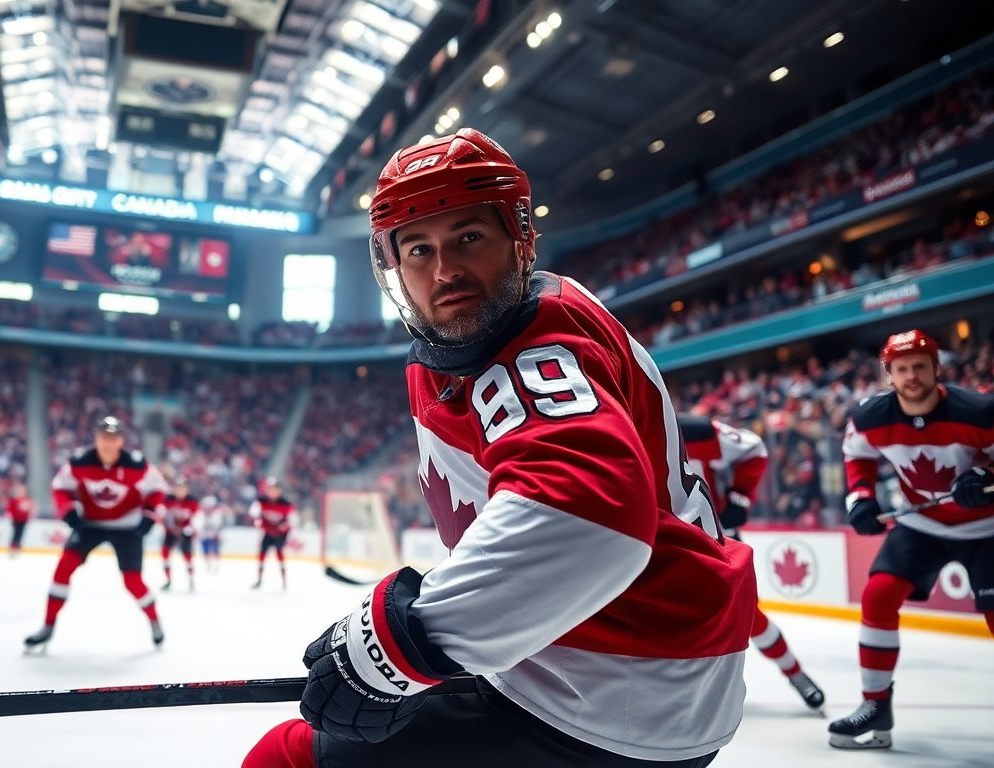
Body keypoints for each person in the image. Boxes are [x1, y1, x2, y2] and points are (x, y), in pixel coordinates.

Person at [244, 128, 756, 767]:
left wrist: (408, 643)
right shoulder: (486, 340)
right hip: (616, 663)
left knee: (286, 758)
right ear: (393, 268)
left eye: (468, 238)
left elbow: (587, 518)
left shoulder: (533, 352)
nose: (445, 271)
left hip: (607, 689)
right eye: (419, 250)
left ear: (520, 239)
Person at [829, 329, 994, 749]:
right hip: (923, 526)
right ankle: (875, 705)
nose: (911, 376)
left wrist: (987, 478)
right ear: (889, 375)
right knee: (878, 596)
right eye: (901, 369)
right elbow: (858, 457)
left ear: (937, 368)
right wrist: (861, 499)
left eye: (920, 366)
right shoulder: (870, 418)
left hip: (987, 528)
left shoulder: (978, 411)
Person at [679, 414, 825, 711]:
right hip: (665, 541)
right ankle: (685, 694)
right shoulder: (628, 428)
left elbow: (753, 448)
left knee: (747, 616)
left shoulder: (697, 431)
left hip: (717, 539)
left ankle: (795, 673)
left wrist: (740, 497)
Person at [24, 417, 167, 653]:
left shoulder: (137, 465)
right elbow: (60, 486)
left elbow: (158, 489)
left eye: (113, 438)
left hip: (127, 527)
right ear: (96, 438)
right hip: (89, 524)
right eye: (104, 438)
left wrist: (149, 517)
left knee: (133, 582)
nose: (108, 444)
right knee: (63, 568)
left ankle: (154, 620)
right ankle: (47, 627)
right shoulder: (79, 462)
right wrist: (68, 510)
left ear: (121, 440)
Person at [249, 477, 295, 590]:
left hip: (280, 535)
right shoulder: (261, 501)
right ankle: (259, 579)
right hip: (268, 533)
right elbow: (253, 513)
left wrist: (282, 528)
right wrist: (258, 522)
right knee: (262, 555)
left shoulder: (286, 504)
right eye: (270, 489)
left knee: (280, 555)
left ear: (279, 490)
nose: (272, 492)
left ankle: (284, 580)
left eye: (275, 489)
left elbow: (292, 520)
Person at [160, 476, 199, 591]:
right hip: (170, 531)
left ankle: (191, 579)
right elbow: (161, 513)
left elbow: (197, 517)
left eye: (183, 488)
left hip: (185, 531)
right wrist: (165, 525)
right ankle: (168, 580)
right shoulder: (168, 500)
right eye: (179, 488)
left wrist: (190, 528)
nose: (181, 491)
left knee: (187, 556)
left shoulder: (192, 501)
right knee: (165, 553)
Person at [5, 481, 34, 558]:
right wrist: (10, 516)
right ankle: (13, 547)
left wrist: (30, 515)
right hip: (16, 520)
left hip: (24, 520)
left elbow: (30, 508)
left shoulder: (27, 499)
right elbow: (10, 509)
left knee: (21, 534)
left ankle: (18, 547)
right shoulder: (14, 500)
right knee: (15, 534)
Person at [199, 494, 225, 573]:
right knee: (205, 552)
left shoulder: (217, 515)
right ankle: (208, 565)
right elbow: (199, 526)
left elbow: (218, 527)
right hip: (204, 536)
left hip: (214, 536)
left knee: (215, 551)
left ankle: (216, 566)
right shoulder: (201, 515)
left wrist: (216, 535)